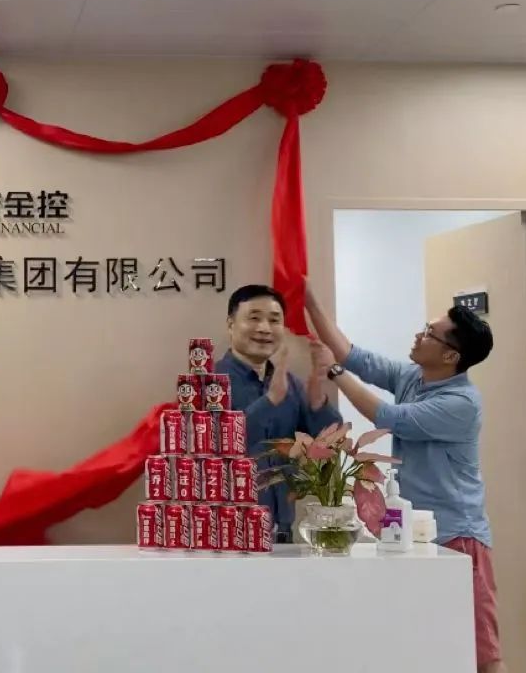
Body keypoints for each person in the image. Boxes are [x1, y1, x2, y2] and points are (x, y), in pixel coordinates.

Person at [304, 282, 503, 673]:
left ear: (450, 355)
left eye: (430, 333)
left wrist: (334, 372)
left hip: (457, 536)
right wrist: (310, 300)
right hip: (414, 534)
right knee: (428, 645)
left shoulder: (460, 403)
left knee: (481, 653)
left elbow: (388, 417)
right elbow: (353, 355)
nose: (419, 335)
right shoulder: (414, 377)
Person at [215, 285, 341, 542]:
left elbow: (329, 443)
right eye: (254, 318)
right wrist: (270, 401)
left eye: (274, 320)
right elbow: (212, 444)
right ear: (230, 324)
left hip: (282, 532)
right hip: (226, 530)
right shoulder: (208, 382)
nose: (264, 328)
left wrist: (318, 402)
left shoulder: (291, 384)